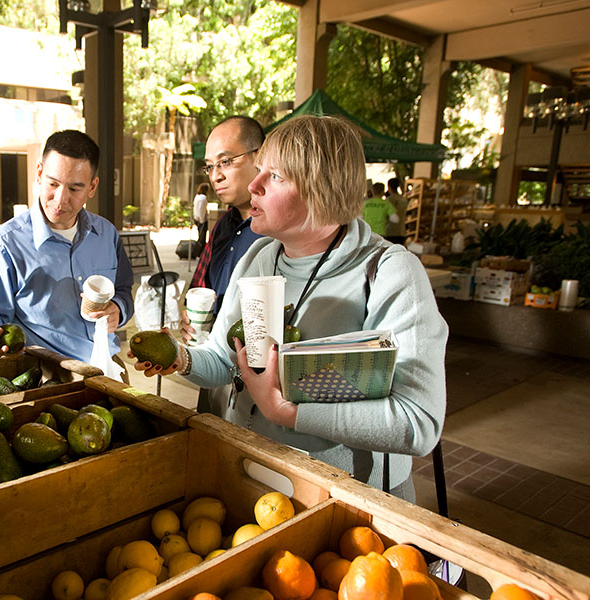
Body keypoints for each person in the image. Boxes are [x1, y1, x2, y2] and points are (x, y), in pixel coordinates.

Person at [131, 115, 448, 501]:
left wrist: (285, 411)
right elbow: (224, 358)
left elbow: (418, 423)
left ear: (321, 189)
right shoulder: (260, 257)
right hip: (256, 474)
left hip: (347, 497)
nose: (254, 185)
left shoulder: (390, 272)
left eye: (275, 177)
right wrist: (181, 359)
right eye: (259, 171)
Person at [0, 129, 134, 370]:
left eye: (74, 188)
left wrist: (118, 310)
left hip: (109, 367)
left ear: (92, 187)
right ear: (39, 174)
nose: (60, 200)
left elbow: (123, 290)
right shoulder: (6, 243)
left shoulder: (107, 234)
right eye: (53, 183)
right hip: (47, 376)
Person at [182, 116, 265, 340]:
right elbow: (200, 285)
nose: (216, 176)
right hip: (213, 360)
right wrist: (190, 316)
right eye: (209, 167)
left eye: (225, 161)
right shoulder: (223, 225)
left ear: (259, 157)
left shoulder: (278, 230)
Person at [385, 177, 408, 245]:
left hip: (390, 232)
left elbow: (386, 215)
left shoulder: (389, 200)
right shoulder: (404, 200)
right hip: (401, 231)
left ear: (389, 187)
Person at [192, 182, 210, 247]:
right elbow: (201, 209)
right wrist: (202, 220)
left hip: (196, 217)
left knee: (200, 235)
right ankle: (201, 251)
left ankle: (199, 250)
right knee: (202, 237)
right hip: (201, 219)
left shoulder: (197, 196)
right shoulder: (203, 198)